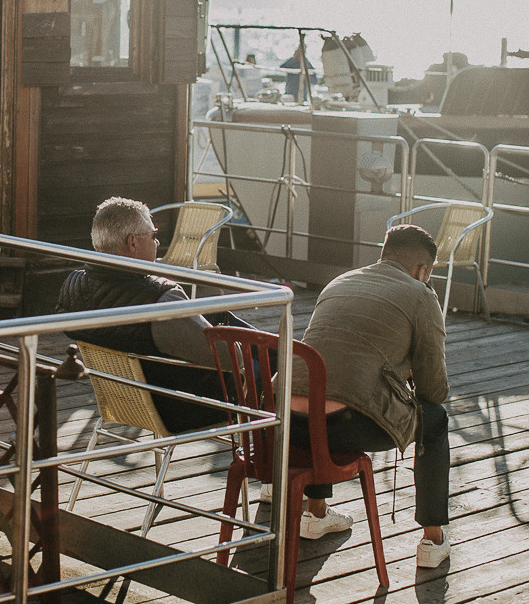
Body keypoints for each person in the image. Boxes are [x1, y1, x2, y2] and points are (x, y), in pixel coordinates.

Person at [291, 223, 450, 568]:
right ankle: (433, 539)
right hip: (343, 425)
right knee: (434, 420)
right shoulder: (421, 294)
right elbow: (433, 390)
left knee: (332, 388)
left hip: (289, 423)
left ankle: (315, 513)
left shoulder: (339, 282)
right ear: (423, 269)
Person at [56, 196, 254, 433]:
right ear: (132, 243)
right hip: (186, 407)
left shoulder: (73, 286)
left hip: (127, 402)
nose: (158, 242)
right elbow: (232, 360)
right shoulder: (160, 301)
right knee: (270, 363)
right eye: (153, 235)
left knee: (220, 316)